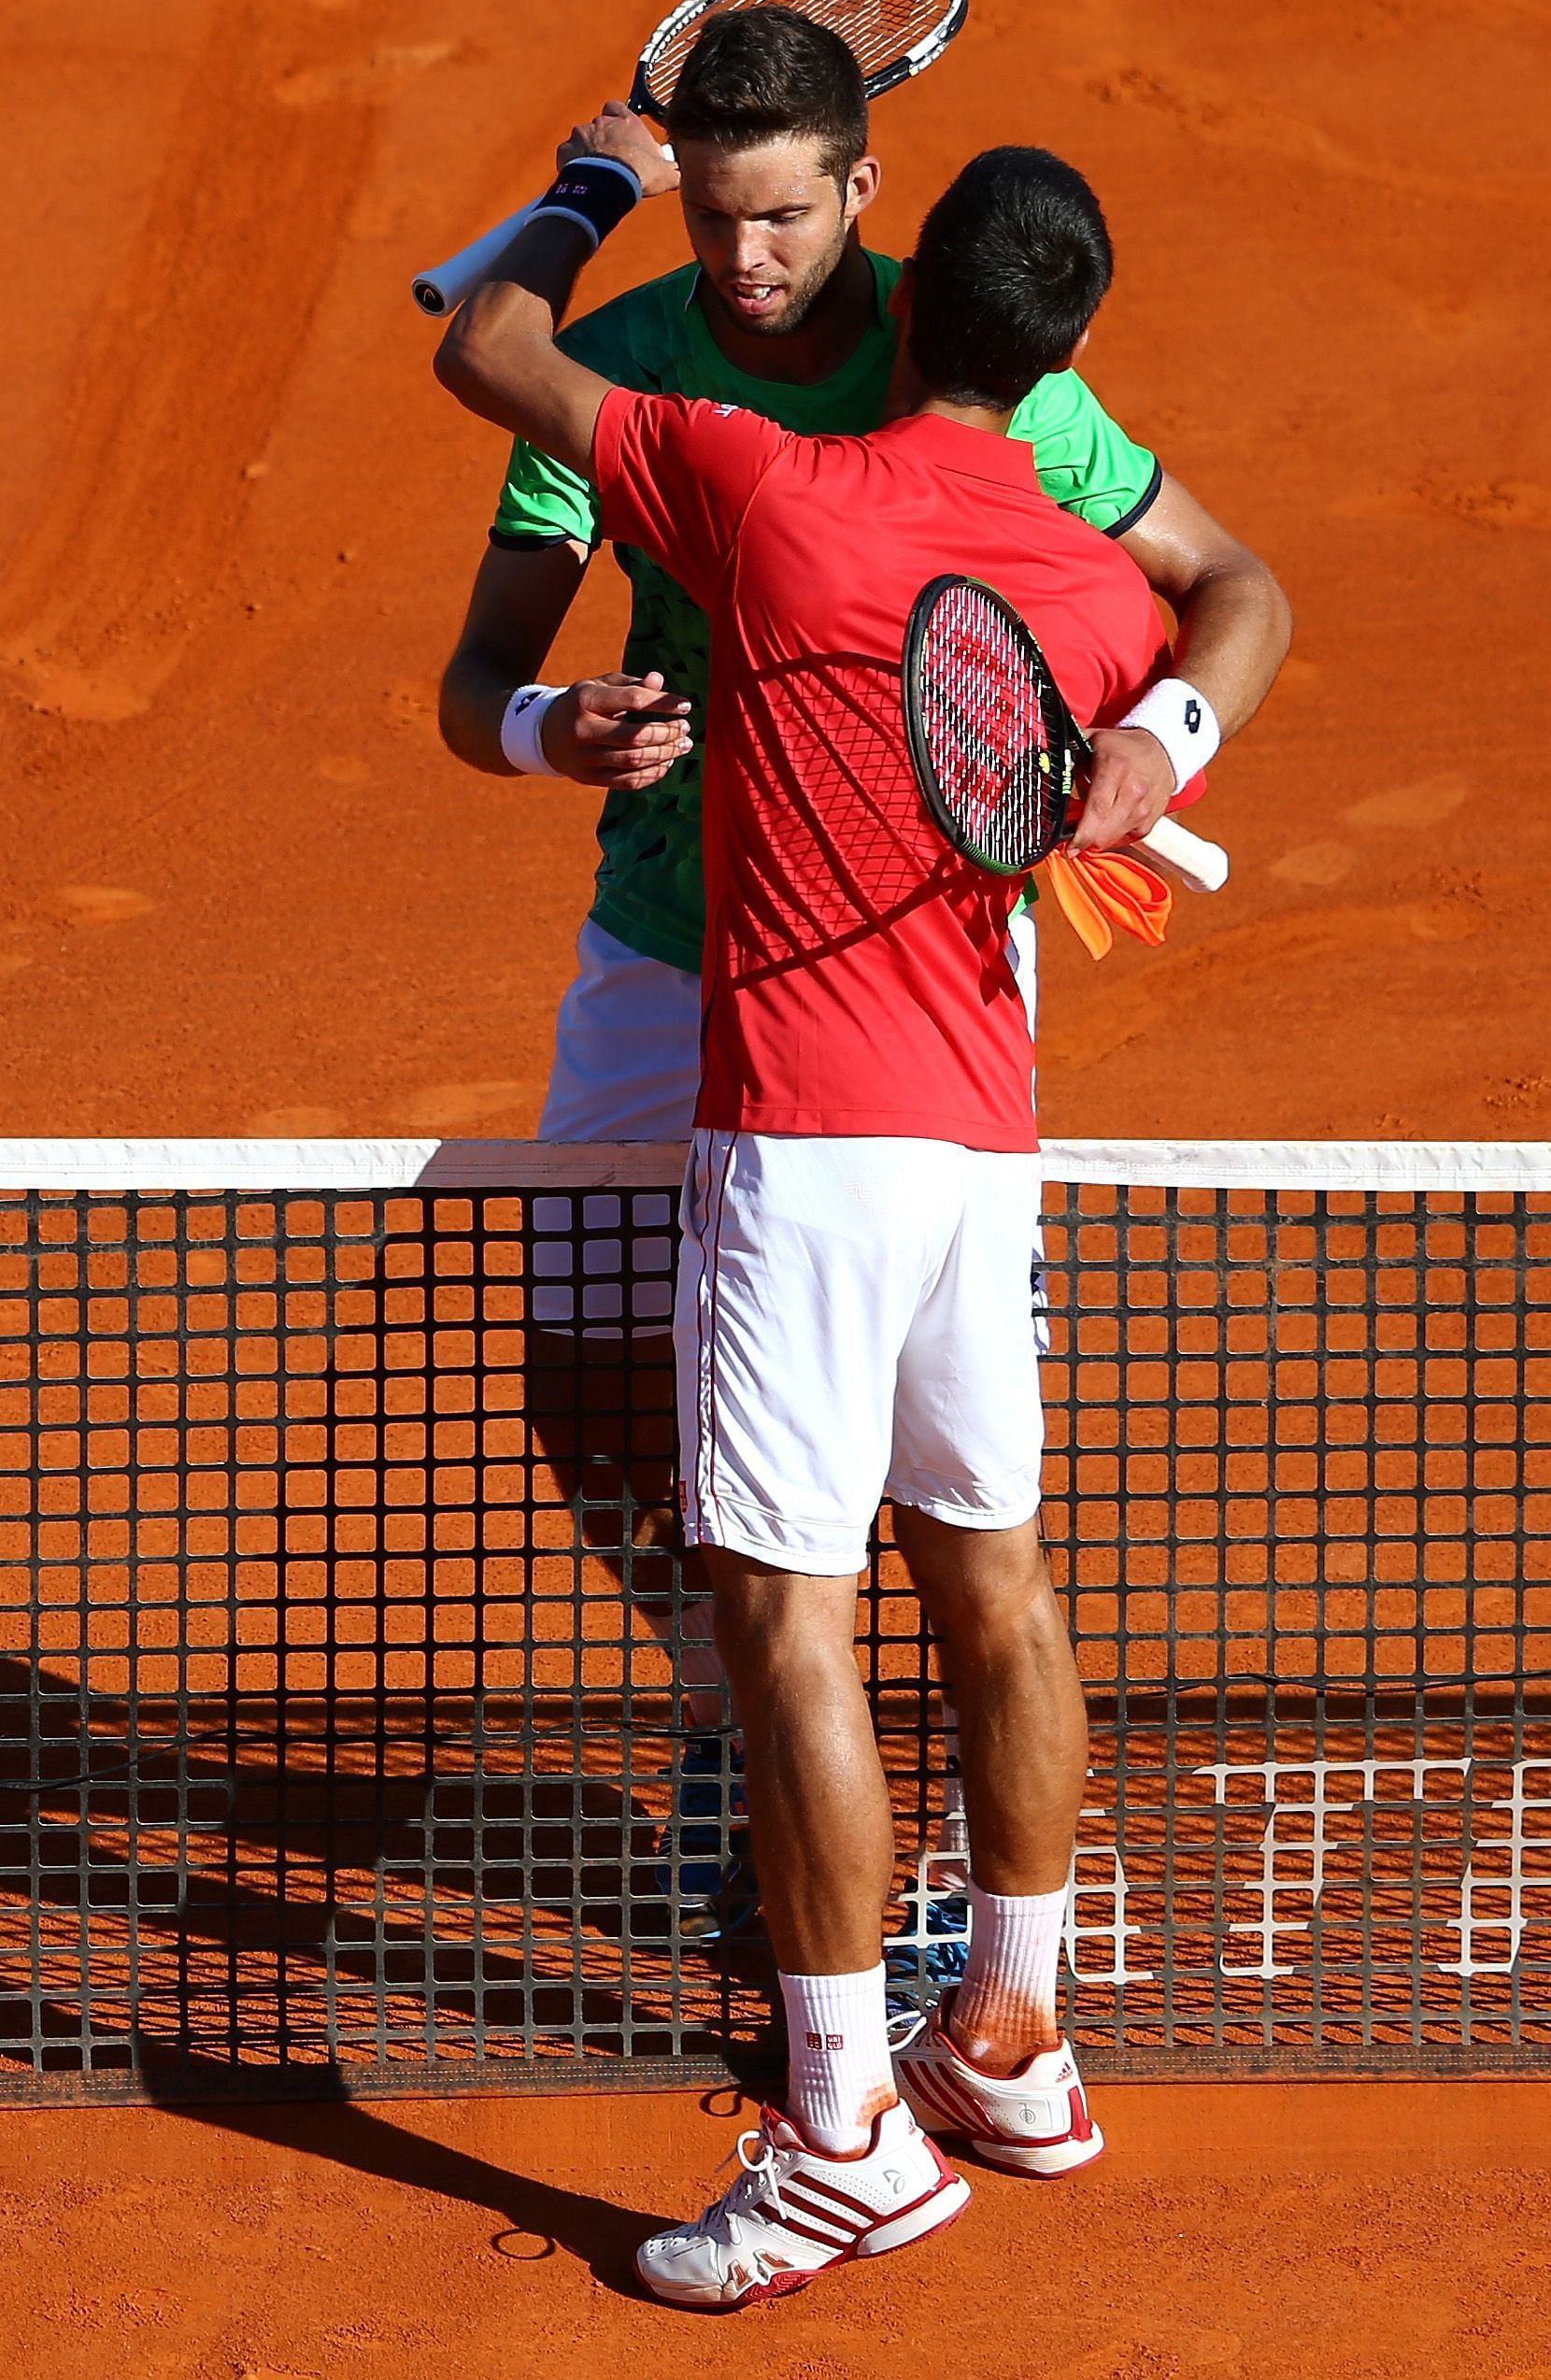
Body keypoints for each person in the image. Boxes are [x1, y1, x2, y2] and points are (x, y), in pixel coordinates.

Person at [434, 134, 1275, 2306]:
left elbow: (490, 353)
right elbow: (1228, 598)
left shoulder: (765, 496)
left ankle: (838, 2138)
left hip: (802, 1147)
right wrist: (1156, 744)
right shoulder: (1087, 593)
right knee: (993, 1582)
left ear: (899, 288)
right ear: (1063, 350)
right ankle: (1014, 2032)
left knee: (790, 1621)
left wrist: (569, 198)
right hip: (977, 1133)